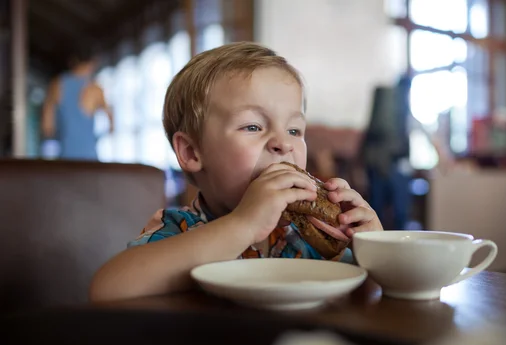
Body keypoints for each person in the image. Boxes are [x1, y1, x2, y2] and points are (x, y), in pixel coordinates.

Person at [89, 42, 383, 302]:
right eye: (253, 126)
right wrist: (244, 223)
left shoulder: (307, 239)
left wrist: (374, 250)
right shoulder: (181, 229)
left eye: (294, 129)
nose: (283, 143)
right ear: (192, 152)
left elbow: (370, 295)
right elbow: (107, 288)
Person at [41, 49, 113, 160]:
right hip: (90, 157)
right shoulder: (95, 89)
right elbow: (111, 122)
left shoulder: (57, 85)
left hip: (65, 157)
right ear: (92, 63)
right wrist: (98, 137)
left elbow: (47, 128)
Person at [362, 75, 413, 230]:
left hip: (376, 161)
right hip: (391, 162)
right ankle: (399, 244)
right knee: (399, 211)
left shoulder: (385, 99)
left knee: (377, 207)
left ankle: (376, 241)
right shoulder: (396, 102)